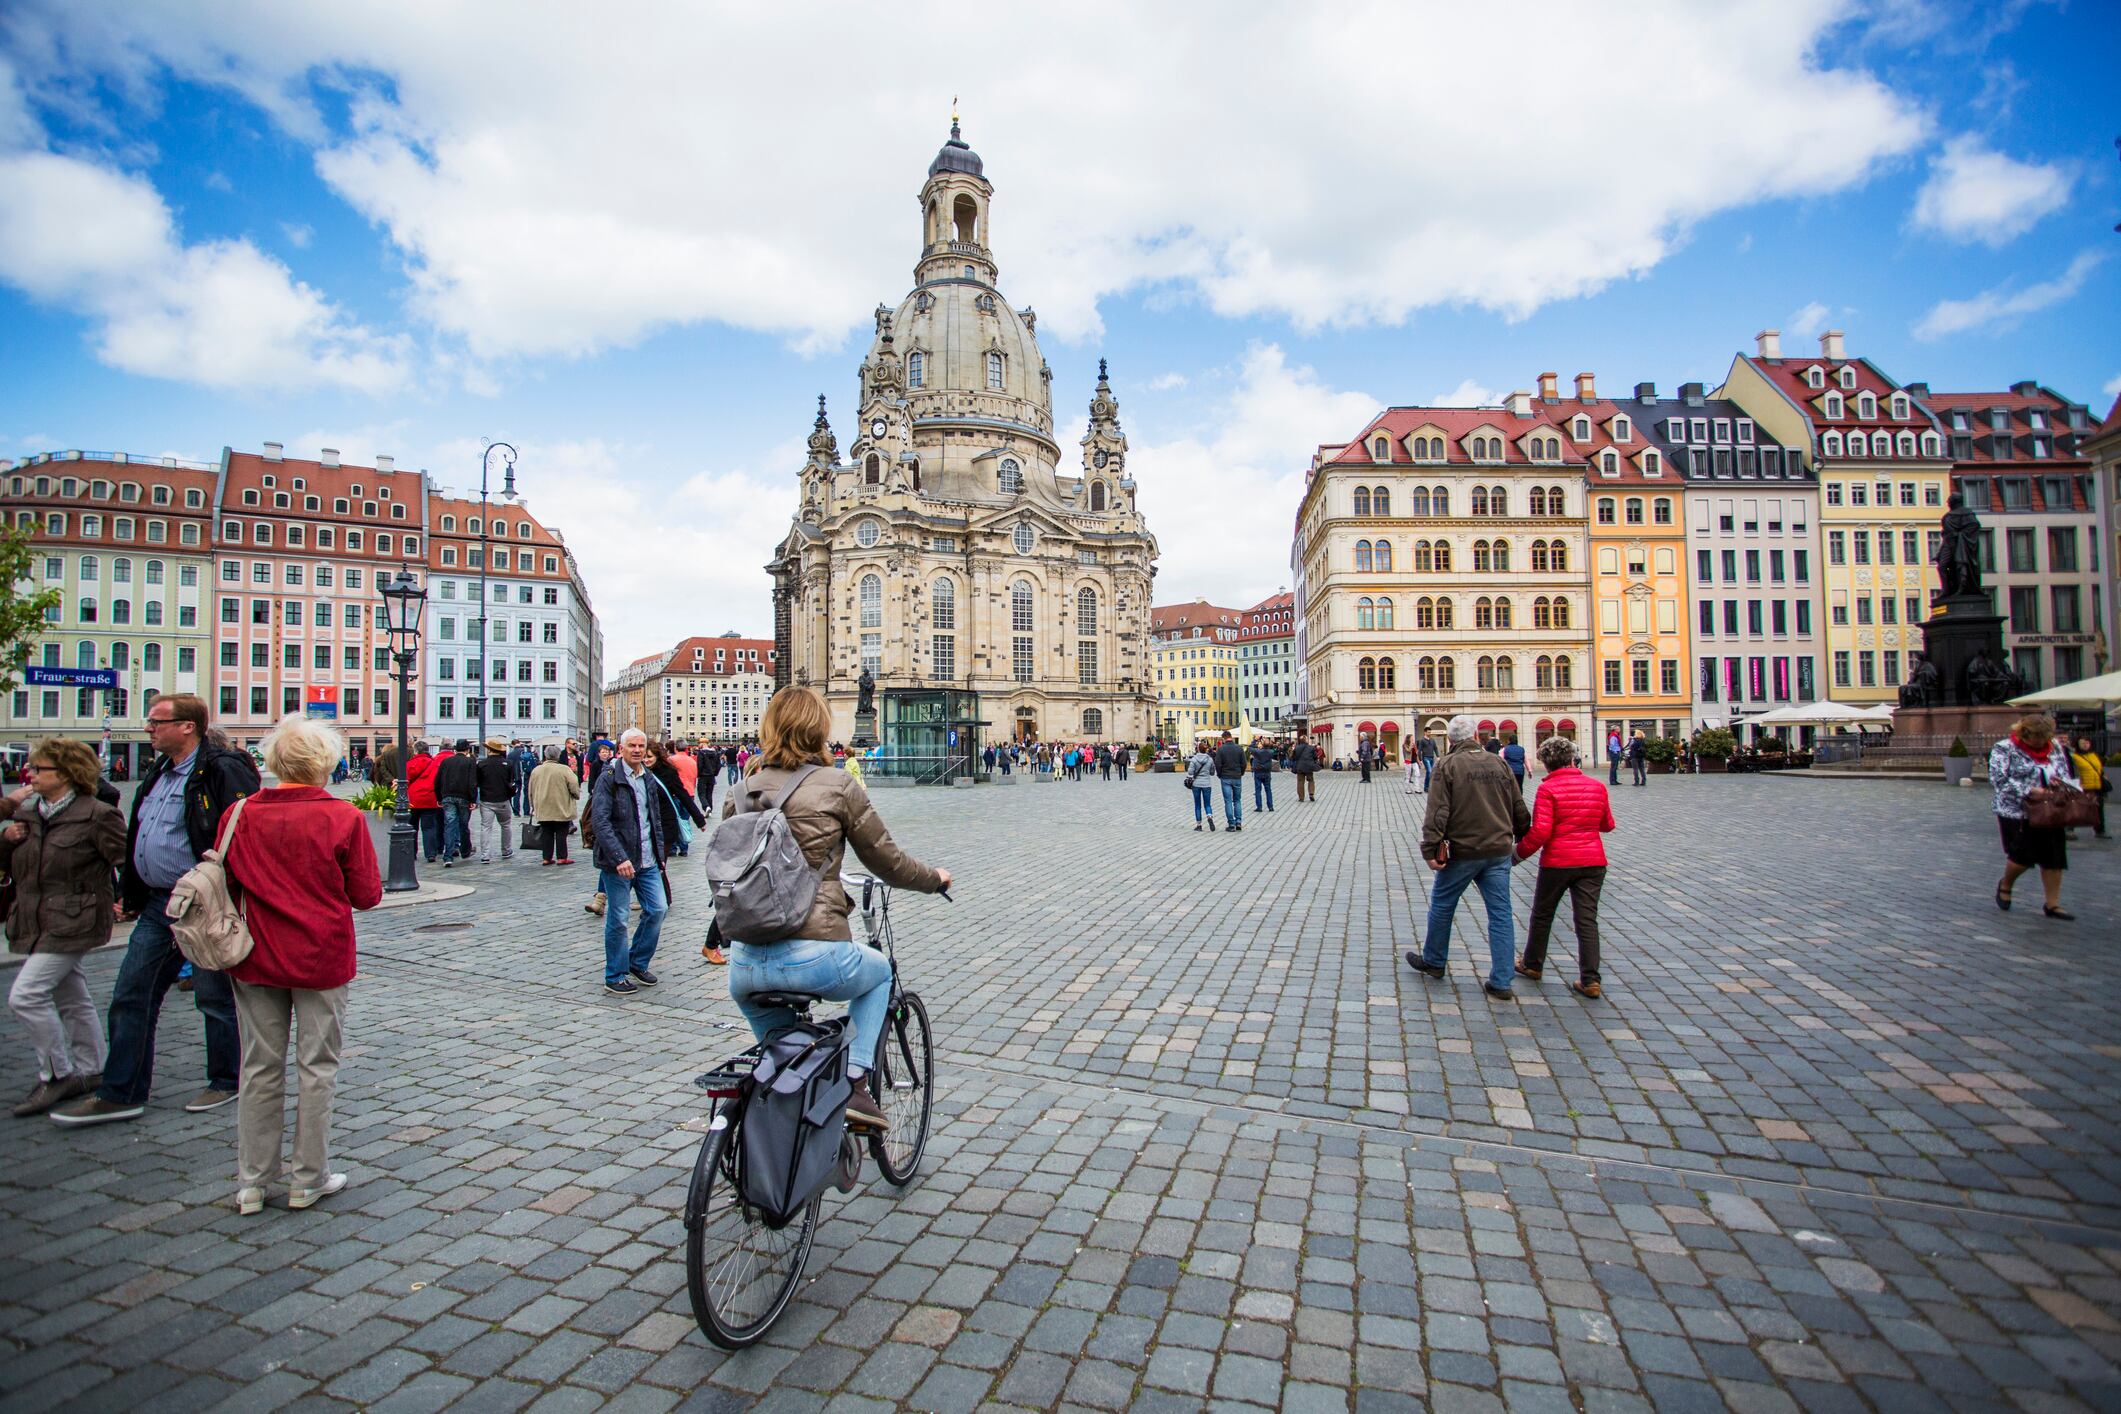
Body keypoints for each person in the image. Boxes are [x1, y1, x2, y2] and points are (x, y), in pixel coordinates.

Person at [723, 687, 949, 1133]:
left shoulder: (739, 791)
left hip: (746, 964)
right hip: (815, 954)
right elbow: (888, 862)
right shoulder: (837, 786)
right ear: (820, 730)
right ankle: (856, 1083)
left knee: (786, 1066)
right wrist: (935, 879)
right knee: (880, 972)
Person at [51, 694, 258, 1127]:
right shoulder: (159, 771)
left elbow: (245, 828)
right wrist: (130, 890)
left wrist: (232, 889)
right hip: (159, 901)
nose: (149, 728)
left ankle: (226, 1078)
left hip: (205, 902)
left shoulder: (221, 769)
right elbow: (138, 833)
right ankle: (122, 1090)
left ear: (188, 726)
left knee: (214, 997)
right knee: (132, 992)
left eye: (158, 721)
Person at [222, 715, 382, 1214]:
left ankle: (252, 1181)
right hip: (320, 954)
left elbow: (226, 882)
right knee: (317, 1068)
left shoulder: (239, 813)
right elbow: (367, 894)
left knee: (258, 1067)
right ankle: (307, 1178)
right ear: (326, 764)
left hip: (255, 954)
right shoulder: (342, 817)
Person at [3, 739, 126, 1116]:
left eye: (40, 769)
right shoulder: (28, 814)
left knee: (26, 995)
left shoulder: (97, 814)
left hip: (75, 918)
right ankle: (93, 1069)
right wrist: (5, 841)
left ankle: (56, 1074)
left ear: (68, 773)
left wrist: (124, 900)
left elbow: (124, 858)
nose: (31, 775)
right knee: (71, 995)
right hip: (36, 917)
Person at [1406, 715, 1531, 1001]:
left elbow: (1437, 812)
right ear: (1476, 736)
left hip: (1463, 851)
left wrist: (1430, 848)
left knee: (1442, 904)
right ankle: (1501, 981)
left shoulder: (1447, 765)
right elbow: (1517, 802)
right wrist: (1523, 831)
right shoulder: (1498, 763)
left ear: (1450, 740)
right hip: (1498, 850)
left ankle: (1435, 961)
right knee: (1500, 914)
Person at [1512, 736, 1614, 1000]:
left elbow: (1541, 832)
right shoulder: (1597, 786)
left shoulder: (1548, 790)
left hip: (1558, 861)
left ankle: (1533, 964)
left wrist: (1516, 855)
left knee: (1543, 914)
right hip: (1593, 862)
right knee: (1586, 920)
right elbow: (1607, 824)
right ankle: (1591, 979)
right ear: (1572, 758)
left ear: (1546, 764)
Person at [590, 729, 672, 995]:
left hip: (647, 859)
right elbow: (600, 822)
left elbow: (653, 820)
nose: (637, 750)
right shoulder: (609, 778)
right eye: (632, 746)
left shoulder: (647, 777)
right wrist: (618, 858)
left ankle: (636, 961)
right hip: (619, 862)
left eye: (641, 746)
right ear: (621, 749)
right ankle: (614, 974)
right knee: (619, 918)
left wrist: (660, 856)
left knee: (658, 909)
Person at [1990, 714, 2079, 919]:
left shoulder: (2054, 747)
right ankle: (2006, 883)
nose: (2040, 742)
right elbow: (1999, 780)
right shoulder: (2004, 748)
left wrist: (2060, 783)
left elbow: (2064, 771)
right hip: (2017, 811)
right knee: (2022, 856)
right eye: (2036, 738)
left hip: (2050, 807)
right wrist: (2029, 791)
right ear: (2024, 734)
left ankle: (2052, 904)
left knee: (2054, 855)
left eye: (2044, 738)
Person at [646, 739, 708, 859]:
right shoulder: (639, 772)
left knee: (659, 865)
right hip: (645, 824)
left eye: (649, 757)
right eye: (644, 757)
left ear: (657, 756)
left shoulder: (667, 771)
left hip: (664, 822)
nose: (645, 760)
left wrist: (699, 819)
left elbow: (682, 794)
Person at [529, 745, 582, 865]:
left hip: (542, 806)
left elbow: (530, 790)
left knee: (546, 832)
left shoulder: (536, 770)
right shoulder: (564, 769)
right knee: (561, 832)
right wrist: (576, 795)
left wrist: (533, 805)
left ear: (545, 755)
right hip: (561, 806)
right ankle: (562, 857)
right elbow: (574, 785)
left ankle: (546, 857)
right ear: (558, 756)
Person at [474, 737, 518, 864]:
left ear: (489, 750)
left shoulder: (481, 764)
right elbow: (512, 780)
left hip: (486, 799)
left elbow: (477, 782)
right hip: (503, 799)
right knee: (506, 825)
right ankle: (506, 850)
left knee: (486, 827)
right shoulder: (508, 764)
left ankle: (485, 855)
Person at [435, 739, 476, 864]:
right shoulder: (470, 761)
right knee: (463, 825)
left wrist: (439, 798)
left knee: (449, 825)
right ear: (467, 750)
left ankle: (448, 856)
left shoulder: (446, 761)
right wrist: (473, 799)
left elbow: (438, 781)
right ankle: (465, 851)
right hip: (463, 797)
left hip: (447, 797)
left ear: (455, 749)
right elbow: (472, 782)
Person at [404, 740, 442, 861]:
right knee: (429, 827)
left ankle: (411, 853)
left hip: (413, 799)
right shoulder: (434, 764)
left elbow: (405, 780)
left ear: (415, 751)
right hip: (429, 799)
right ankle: (431, 853)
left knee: (412, 827)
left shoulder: (410, 764)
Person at [2071, 737, 2108, 840]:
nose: (2085, 744)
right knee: (2078, 809)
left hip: (2097, 786)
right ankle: (2069, 829)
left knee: (2099, 809)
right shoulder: (2075, 757)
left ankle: (2100, 830)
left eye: (2087, 742)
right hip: (2084, 787)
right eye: (2082, 743)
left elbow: (2099, 768)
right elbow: (2074, 771)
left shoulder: (2094, 755)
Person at [1213, 731, 1246, 832]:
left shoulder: (1221, 749)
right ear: (1231, 737)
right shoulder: (1239, 748)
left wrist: (1219, 774)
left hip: (1225, 777)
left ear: (1223, 738)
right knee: (1237, 800)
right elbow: (1244, 763)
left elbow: (1218, 764)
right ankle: (1239, 822)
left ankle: (1231, 824)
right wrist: (1241, 773)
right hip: (1237, 776)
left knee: (1228, 801)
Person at [1185, 742, 1217, 830]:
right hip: (1207, 784)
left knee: (1197, 805)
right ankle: (1209, 817)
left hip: (1196, 784)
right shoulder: (1210, 759)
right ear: (1206, 749)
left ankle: (1199, 825)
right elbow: (1212, 772)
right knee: (1207, 804)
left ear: (1198, 749)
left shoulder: (1194, 759)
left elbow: (1190, 772)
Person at [1249, 737, 1276, 813]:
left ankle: (1259, 807)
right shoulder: (1271, 752)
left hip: (1258, 772)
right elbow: (1272, 747)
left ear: (1262, 745)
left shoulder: (1258, 752)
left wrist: (1255, 740)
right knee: (1268, 790)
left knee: (1258, 790)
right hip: (1267, 772)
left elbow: (1250, 747)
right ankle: (1270, 806)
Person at [1289, 736, 1319, 802]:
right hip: (1309, 766)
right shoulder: (1311, 748)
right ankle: (1311, 793)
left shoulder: (1297, 748)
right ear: (1306, 740)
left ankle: (1301, 797)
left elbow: (1293, 758)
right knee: (1311, 780)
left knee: (1300, 782)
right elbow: (1315, 757)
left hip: (1300, 767)